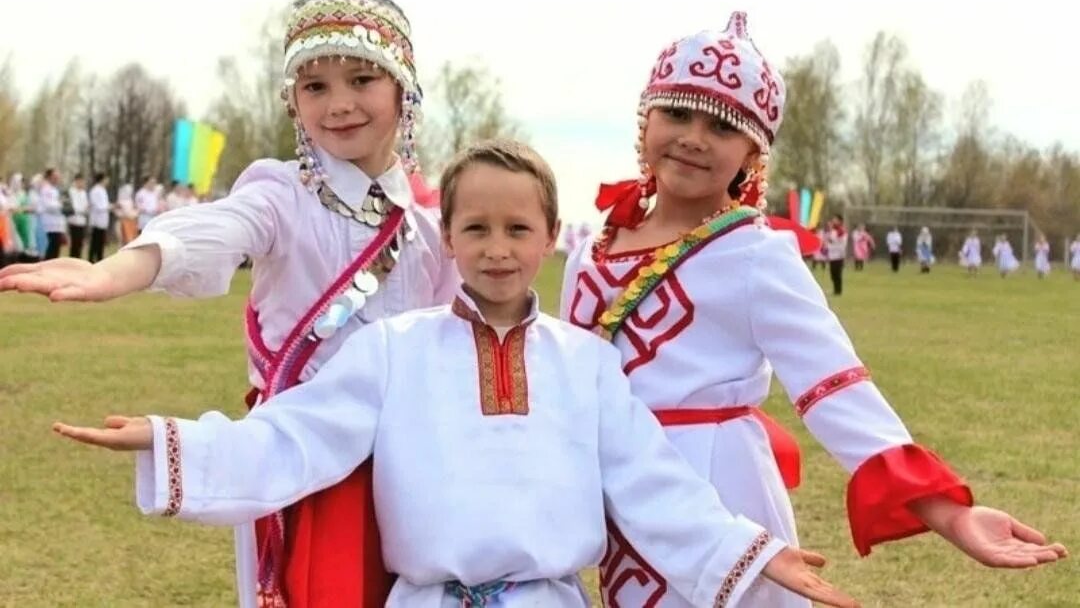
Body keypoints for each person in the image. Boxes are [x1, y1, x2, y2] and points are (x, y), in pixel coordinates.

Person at [54, 139, 859, 608]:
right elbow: (296, 438)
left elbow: (651, 484)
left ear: (551, 237)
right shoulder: (395, 350)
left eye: (518, 227)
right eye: (476, 227)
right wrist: (173, 443)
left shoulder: (585, 365)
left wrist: (750, 554)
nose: (498, 247)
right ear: (449, 239)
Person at [562, 14, 1067, 608]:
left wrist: (949, 513)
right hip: (620, 489)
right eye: (677, 113)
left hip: (719, 489)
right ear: (644, 120)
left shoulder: (755, 253)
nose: (694, 137)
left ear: (753, 152)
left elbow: (835, 387)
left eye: (722, 125)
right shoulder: (589, 252)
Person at [0, 0, 457, 608]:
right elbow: (215, 229)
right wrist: (120, 269)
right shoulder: (282, 194)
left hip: (410, 463)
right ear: (292, 100)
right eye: (315, 86)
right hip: (303, 459)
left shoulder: (432, 223)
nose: (339, 103)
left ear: (403, 89)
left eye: (362, 80)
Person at [39, 168, 67, 260]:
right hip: (49, 224)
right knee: (50, 250)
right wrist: (60, 204)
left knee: (56, 250)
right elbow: (48, 205)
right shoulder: (45, 189)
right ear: (49, 177)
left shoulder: (54, 189)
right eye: (55, 177)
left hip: (57, 224)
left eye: (58, 177)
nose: (57, 179)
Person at [88, 172, 112, 264]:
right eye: (106, 179)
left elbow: (104, 204)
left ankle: (99, 258)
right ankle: (91, 259)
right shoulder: (95, 190)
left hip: (102, 221)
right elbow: (99, 206)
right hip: (96, 221)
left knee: (100, 242)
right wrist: (110, 207)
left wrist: (110, 206)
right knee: (95, 242)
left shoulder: (103, 190)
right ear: (102, 179)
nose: (107, 181)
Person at [67, 173, 89, 259]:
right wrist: (82, 210)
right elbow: (74, 207)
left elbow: (86, 206)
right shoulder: (71, 192)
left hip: (82, 221)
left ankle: (78, 260)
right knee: (74, 245)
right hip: (73, 221)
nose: (82, 184)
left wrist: (84, 209)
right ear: (76, 181)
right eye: (81, 181)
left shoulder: (83, 193)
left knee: (80, 244)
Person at [825, 215, 848, 296]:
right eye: (833, 219)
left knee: (837, 274)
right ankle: (835, 290)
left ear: (840, 221)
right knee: (833, 273)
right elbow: (828, 240)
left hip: (838, 255)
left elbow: (838, 242)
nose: (833, 221)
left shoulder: (841, 231)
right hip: (832, 255)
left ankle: (838, 291)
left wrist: (842, 253)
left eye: (835, 220)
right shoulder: (832, 231)